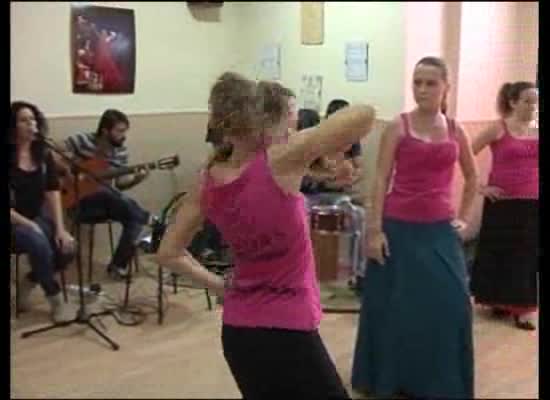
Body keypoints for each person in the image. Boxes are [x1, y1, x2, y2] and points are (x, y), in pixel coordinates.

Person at [156, 72, 375, 398]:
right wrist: (311, 137)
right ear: (258, 118)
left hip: (238, 332)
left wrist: (220, 286)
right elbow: (365, 115)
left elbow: (168, 253)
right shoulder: (280, 160)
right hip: (287, 329)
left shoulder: (207, 179)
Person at [352, 56, 478, 398]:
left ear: (446, 87)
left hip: (439, 230)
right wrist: (374, 230)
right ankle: (393, 379)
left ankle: (438, 382)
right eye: (417, 82)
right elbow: (380, 178)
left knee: (454, 303)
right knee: (396, 309)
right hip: (398, 227)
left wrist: (463, 217)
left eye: (430, 83)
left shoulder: (456, 129)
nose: (421, 89)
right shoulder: (398, 126)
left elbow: (472, 177)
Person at [470, 81, 538, 330]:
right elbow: (465, 153)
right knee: (500, 253)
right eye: (527, 101)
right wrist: (481, 187)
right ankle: (498, 301)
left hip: (531, 203)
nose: (532, 107)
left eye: (535, 102)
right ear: (513, 102)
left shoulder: (536, 131)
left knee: (526, 256)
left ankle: (523, 309)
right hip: (502, 203)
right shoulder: (498, 128)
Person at [58, 109, 155, 279]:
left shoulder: (121, 152)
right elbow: (54, 151)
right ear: (105, 131)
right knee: (106, 192)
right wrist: (70, 172)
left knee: (132, 217)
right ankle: (151, 219)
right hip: (77, 203)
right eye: (119, 131)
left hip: (105, 205)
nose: (123, 136)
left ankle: (117, 266)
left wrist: (137, 178)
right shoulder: (83, 141)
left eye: (125, 131)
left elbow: (121, 185)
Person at [9, 101, 76, 323]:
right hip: (14, 221)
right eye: (24, 120)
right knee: (38, 243)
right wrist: (29, 225)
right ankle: (55, 299)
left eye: (33, 119)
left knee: (67, 248)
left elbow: (52, 191)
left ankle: (29, 282)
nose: (31, 124)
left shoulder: (43, 154)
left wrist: (60, 228)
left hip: (37, 217)